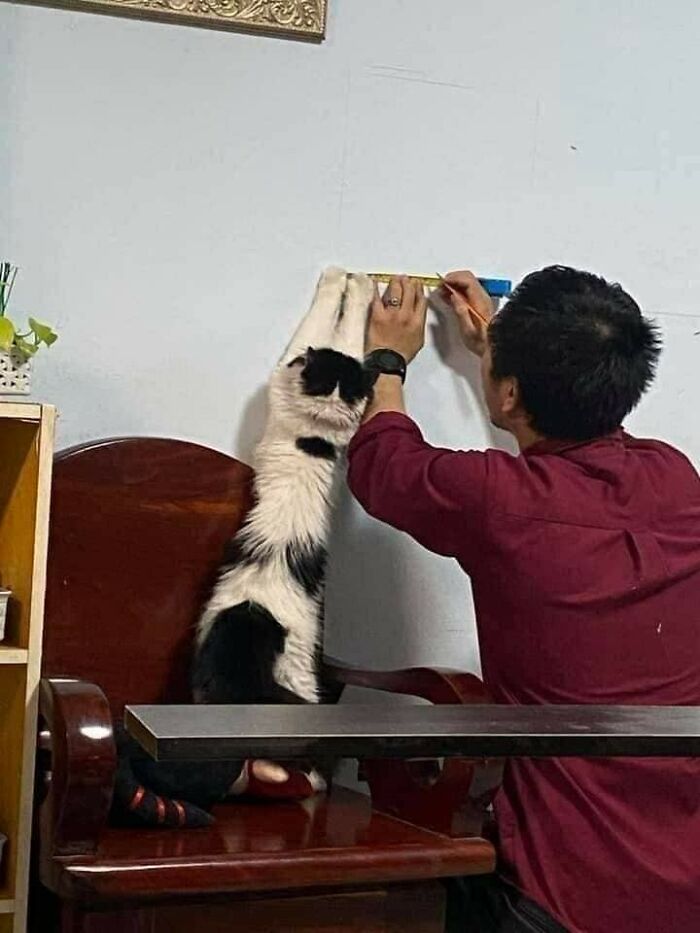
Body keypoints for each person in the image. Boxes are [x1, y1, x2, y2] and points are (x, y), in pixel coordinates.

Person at [348, 267, 700, 933]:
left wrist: (389, 359)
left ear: (511, 393)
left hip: (558, 898)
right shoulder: (676, 476)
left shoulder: (496, 501)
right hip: (683, 887)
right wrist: (504, 358)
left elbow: (383, 464)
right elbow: (572, 464)